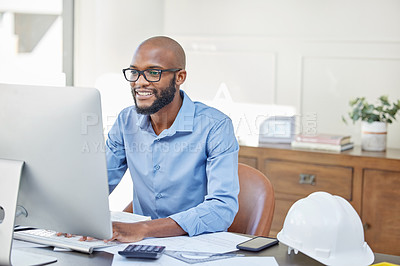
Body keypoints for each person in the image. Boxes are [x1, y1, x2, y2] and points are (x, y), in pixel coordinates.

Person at [105, 36, 239, 243]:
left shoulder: (216, 126)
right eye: (135, 72)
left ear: (180, 77)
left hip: (195, 244)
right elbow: (99, 183)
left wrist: (144, 228)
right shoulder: (126, 121)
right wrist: (73, 221)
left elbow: (222, 209)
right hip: (139, 245)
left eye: (153, 72)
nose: (140, 82)